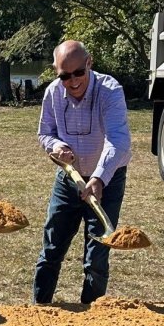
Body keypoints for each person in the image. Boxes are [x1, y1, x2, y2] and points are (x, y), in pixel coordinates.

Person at [34, 40, 132, 304]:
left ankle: (91, 316)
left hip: (107, 180)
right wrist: (56, 146)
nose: (73, 81)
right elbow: (45, 133)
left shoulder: (109, 91)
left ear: (89, 63)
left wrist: (99, 177)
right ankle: (39, 309)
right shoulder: (53, 93)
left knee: (97, 254)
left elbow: (118, 140)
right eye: (65, 76)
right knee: (52, 248)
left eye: (78, 72)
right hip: (70, 180)